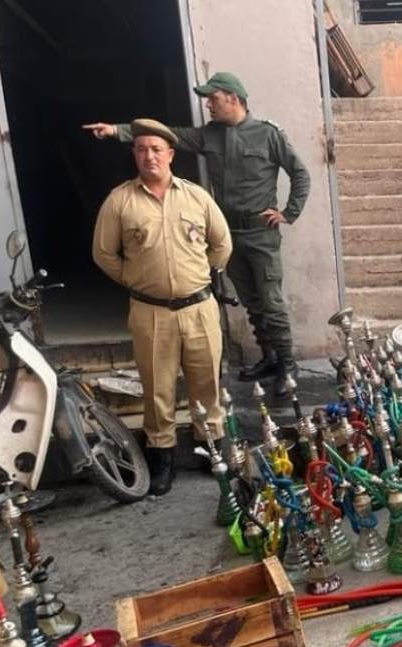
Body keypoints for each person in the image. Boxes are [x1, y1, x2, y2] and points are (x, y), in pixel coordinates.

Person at [84, 72, 310, 393]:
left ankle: (287, 366)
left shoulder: (267, 135)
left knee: (271, 302)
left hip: (261, 234)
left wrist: (289, 213)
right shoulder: (209, 135)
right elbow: (168, 136)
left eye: (213, 99)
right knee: (251, 301)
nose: (208, 105)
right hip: (229, 233)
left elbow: (300, 173)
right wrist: (116, 131)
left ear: (233, 98)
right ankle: (269, 357)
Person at [92, 118, 232, 496]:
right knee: (157, 389)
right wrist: (135, 279)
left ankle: (211, 449)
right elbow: (104, 254)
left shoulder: (196, 197)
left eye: (156, 149)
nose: (149, 156)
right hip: (150, 311)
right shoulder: (120, 200)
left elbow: (222, 243)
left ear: (170, 154)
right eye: (141, 150)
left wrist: (202, 274)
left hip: (199, 307)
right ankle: (161, 457)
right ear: (134, 155)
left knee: (207, 383)